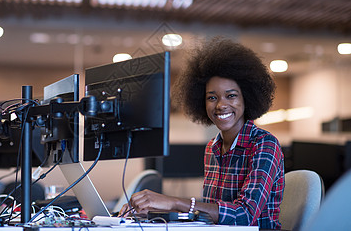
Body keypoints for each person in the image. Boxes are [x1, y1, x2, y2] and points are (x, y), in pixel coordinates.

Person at [120, 37, 285, 229]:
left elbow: (244, 215)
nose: (221, 105)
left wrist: (173, 202)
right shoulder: (212, 148)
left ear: (247, 98)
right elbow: (210, 215)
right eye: (212, 97)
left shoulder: (265, 145)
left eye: (231, 95)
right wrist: (155, 208)